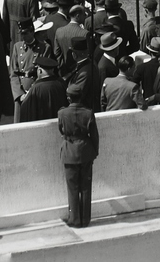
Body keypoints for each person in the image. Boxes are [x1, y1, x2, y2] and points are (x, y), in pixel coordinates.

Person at [56, 81, 98, 228]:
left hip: (69, 151)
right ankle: (85, 219)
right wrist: (94, 152)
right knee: (85, 187)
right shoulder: (88, 113)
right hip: (86, 151)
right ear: (81, 97)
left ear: (68, 98)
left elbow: (61, 130)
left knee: (72, 187)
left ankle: (74, 219)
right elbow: (94, 135)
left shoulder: (62, 113)